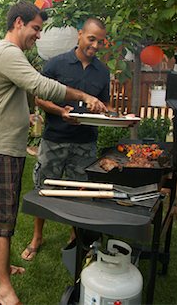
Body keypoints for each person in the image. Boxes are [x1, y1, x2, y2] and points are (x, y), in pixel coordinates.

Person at [0, 1, 107, 305]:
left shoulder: (5, 54)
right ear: (19, 23)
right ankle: (5, 291)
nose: (38, 36)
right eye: (36, 28)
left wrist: (24, 116)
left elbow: (14, 95)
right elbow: (40, 86)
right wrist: (83, 95)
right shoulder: (7, 52)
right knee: (1, 221)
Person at [21, 17, 111, 261]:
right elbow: (39, 99)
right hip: (55, 139)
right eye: (91, 39)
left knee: (81, 192)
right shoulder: (56, 64)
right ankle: (37, 236)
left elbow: (106, 105)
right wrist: (61, 111)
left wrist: (101, 109)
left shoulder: (103, 72)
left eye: (100, 42)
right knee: (44, 186)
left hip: (85, 143)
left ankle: (75, 234)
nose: (95, 45)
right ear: (80, 35)